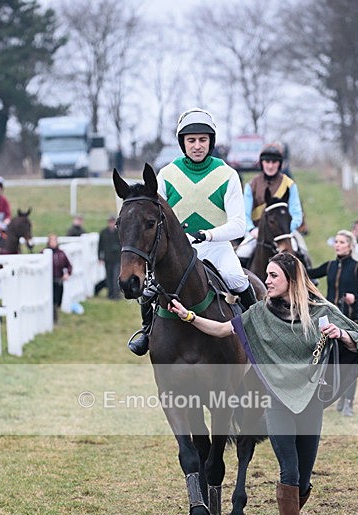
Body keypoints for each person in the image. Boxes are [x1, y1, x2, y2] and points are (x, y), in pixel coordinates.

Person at [168, 251, 358, 515]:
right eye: (268, 275)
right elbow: (222, 330)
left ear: (291, 279)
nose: (267, 281)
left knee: (304, 482)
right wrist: (189, 317)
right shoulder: (259, 313)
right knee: (289, 471)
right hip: (277, 402)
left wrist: (340, 335)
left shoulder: (320, 311)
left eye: (273, 276)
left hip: (311, 403)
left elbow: (356, 337)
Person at [128, 107, 257, 356]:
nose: (197, 146)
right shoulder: (167, 174)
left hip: (217, 248)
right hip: (178, 252)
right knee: (150, 289)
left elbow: (239, 225)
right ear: (183, 143)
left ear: (211, 142)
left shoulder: (227, 174)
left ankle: (256, 330)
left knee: (236, 279)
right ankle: (146, 331)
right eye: (191, 140)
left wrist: (206, 235)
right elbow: (155, 214)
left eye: (202, 140)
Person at [307, 230, 358, 417]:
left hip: (351, 320)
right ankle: (336, 395)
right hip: (330, 320)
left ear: (350, 246)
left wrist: (355, 297)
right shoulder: (329, 266)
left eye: (342, 242)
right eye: (336, 241)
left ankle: (348, 403)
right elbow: (309, 273)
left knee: (350, 362)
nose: (337, 245)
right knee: (330, 361)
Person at [236, 142, 307, 267]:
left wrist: (286, 230)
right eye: (267, 162)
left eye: (274, 162)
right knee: (241, 253)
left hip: (284, 232)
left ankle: (307, 276)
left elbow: (296, 214)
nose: (270, 166)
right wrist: (252, 229)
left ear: (279, 164)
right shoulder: (251, 185)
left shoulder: (289, 184)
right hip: (257, 232)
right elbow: (244, 214)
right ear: (262, 163)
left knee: (300, 251)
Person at [46, 234, 72, 323]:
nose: (53, 243)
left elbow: (69, 266)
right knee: (52, 300)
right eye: (52, 241)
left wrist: (67, 274)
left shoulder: (61, 253)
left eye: (55, 241)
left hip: (59, 280)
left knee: (58, 301)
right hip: (49, 281)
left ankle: (55, 317)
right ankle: (54, 319)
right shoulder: (44, 253)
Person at [98, 215, 121, 300]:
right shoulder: (103, 232)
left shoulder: (118, 232)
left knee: (116, 276)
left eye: (112, 222)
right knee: (109, 277)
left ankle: (116, 294)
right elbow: (100, 246)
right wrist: (99, 257)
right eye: (110, 222)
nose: (111, 223)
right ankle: (110, 293)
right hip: (107, 258)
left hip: (117, 258)